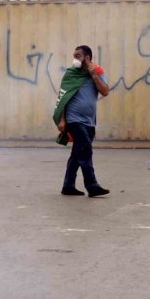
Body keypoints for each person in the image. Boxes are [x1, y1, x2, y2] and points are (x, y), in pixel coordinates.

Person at [53, 45, 110, 197]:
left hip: (89, 121)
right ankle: (92, 186)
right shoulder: (71, 74)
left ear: (87, 57)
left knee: (77, 154)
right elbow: (63, 97)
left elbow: (105, 91)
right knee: (85, 151)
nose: (75, 59)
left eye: (78, 56)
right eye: (74, 56)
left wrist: (94, 75)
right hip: (74, 120)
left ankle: (68, 186)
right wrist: (61, 120)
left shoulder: (98, 72)